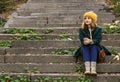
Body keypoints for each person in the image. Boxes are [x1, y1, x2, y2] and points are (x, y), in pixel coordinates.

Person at [74, 11, 111, 75]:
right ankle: (87, 69)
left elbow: (98, 40)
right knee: (85, 47)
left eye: (88, 18)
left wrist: (91, 41)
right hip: (85, 47)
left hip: (95, 47)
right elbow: (81, 39)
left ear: (93, 20)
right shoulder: (82, 29)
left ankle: (93, 69)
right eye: (85, 18)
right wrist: (85, 42)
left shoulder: (98, 29)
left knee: (93, 46)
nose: (86, 20)